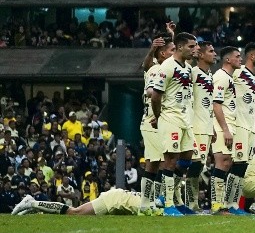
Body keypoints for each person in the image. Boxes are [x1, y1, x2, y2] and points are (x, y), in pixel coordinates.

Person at [150, 32, 198, 216]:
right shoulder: (167, 66)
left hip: (186, 120)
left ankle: (166, 195)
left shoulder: (187, 67)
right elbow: (156, 96)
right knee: (170, 161)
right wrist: (159, 116)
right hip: (171, 118)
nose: (195, 50)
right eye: (191, 46)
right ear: (179, 47)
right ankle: (169, 205)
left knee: (186, 160)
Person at [226, 42, 255, 213]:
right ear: (251, 56)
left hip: (250, 127)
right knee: (237, 164)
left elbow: (254, 106)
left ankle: (235, 204)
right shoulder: (237, 72)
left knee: (243, 167)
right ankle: (229, 203)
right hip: (238, 125)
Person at [138, 33, 174, 214]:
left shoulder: (166, 68)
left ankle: (148, 203)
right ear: (162, 54)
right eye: (172, 50)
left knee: (154, 163)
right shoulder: (157, 69)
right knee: (159, 162)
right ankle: (153, 203)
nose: (175, 53)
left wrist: (172, 35)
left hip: (158, 122)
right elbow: (151, 91)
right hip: (152, 122)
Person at [210, 46, 245, 215]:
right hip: (222, 125)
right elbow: (216, 104)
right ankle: (216, 204)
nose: (240, 59)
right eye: (237, 56)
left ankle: (220, 203)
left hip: (229, 124)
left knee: (227, 162)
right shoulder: (221, 77)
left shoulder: (229, 77)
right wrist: (225, 129)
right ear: (228, 59)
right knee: (222, 162)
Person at [185, 41, 217, 213]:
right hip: (194, 127)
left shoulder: (210, 75)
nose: (215, 54)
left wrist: (212, 127)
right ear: (201, 55)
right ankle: (183, 202)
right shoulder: (193, 72)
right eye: (211, 51)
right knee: (194, 165)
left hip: (206, 127)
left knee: (198, 166)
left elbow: (209, 104)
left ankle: (192, 204)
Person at [13, 188, 142, 216]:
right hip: (114, 200)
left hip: (118, 197)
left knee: (75, 212)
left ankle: (36, 207)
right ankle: (31, 203)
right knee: (75, 213)